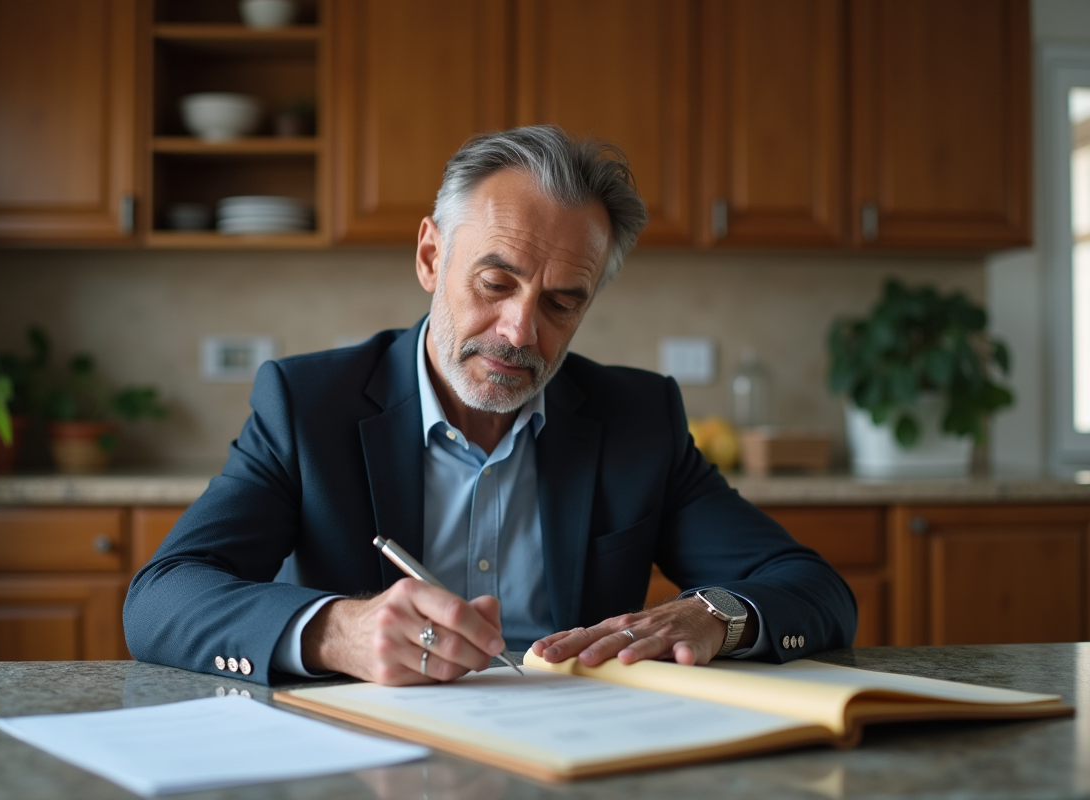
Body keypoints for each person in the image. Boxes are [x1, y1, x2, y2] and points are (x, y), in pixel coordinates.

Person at [124, 126, 857, 687]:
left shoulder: (640, 418)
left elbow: (815, 589)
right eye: (496, 283)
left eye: (563, 302)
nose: (520, 333)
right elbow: (160, 598)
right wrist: (334, 631)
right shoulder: (307, 405)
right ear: (430, 257)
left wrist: (717, 614)